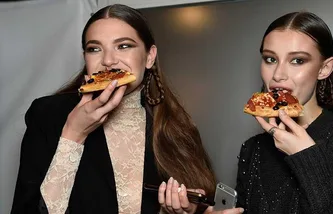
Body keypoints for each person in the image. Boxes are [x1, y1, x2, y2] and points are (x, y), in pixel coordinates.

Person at [11, 4, 216, 214]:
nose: (108, 61)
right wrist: (73, 134)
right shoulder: (46, 114)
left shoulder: (176, 124)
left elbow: (203, 200)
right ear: (85, 58)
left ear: (149, 56)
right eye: (95, 49)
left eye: (124, 46)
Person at [234, 11, 333, 213]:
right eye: (270, 59)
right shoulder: (253, 149)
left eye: (297, 61)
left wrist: (306, 157)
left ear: (324, 69)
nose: (278, 75)